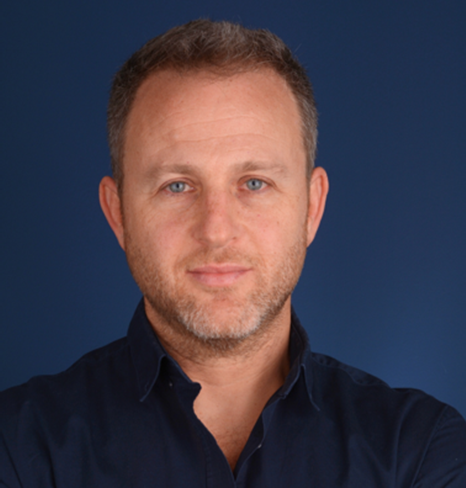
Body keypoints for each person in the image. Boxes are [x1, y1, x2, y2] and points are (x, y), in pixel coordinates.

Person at [1, 19, 465, 487]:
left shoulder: (420, 451)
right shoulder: (18, 448)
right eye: (177, 186)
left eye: (254, 183)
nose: (216, 231)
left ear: (312, 207)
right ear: (118, 213)